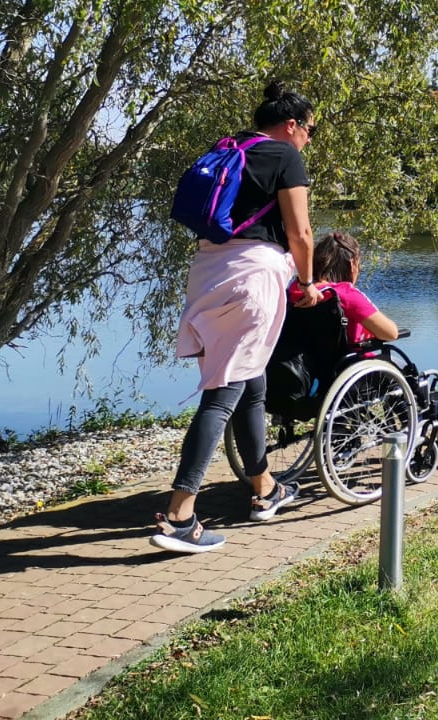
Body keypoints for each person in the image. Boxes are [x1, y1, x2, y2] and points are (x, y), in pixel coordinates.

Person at [152, 82, 320, 554]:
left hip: (209, 271)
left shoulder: (228, 149)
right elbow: (301, 232)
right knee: (222, 393)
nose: (308, 139)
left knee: (251, 382)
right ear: (291, 125)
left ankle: (265, 489)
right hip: (252, 278)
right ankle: (180, 515)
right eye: (308, 130)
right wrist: (307, 283)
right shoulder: (285, 157)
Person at [297, 230, 401, 344]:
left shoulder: (297, 289)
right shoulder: (346, 295)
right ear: (352, 265)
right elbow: (391, 333)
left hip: (303, 359)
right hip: (349, 359)